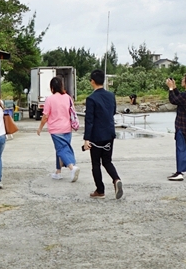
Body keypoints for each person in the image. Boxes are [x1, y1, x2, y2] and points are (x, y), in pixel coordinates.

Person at [83, 69, 123, 199]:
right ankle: (116, 179)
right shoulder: (111, 96)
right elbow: (113, 112)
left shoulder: (91, 99)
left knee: (96, 163)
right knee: (107, 161)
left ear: (92, 82)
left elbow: (89, 120)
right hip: (109, 133)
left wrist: (86, 139)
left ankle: (100, 190)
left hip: (96, 136)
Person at [36, 76, 80, 182]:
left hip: (56, 129)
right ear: (61, 86)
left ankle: (72, 167)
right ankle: (58, 171)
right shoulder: (68, 97)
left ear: (52, 88)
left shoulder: (49, 99)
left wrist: (40, 128)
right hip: (67, 128)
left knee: (61, 150)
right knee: (61, 149)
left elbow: (45, 116)